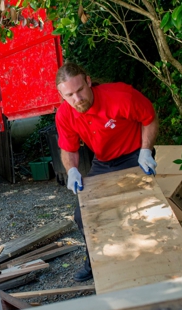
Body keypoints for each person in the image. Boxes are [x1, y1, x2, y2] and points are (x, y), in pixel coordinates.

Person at [55, 62, 159, 282]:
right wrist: (72, 170)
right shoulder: (65, 114)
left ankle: (152, 260)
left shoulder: (121, 95)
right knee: (83, 214)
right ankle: (95, 260)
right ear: (61, 95)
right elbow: (68, 148)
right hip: (102, 161)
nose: (77, 99)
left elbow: (149, 118)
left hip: (134, 155)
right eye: (70, 95)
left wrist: (146, 150)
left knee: (140, 207)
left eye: (80, 90)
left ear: (88, 81)